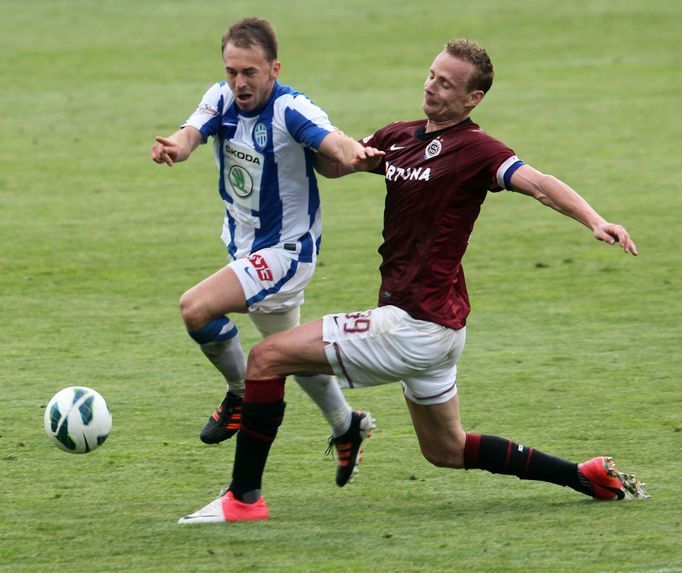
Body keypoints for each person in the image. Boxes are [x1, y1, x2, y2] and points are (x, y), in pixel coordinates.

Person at [177, 38, 650, 524]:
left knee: (265, 358)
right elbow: (339, 162)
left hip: (414, 324)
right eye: (431, 75)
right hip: (440, 327)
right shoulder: (401, 137)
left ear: (473, 99)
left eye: (447, 84)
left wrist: (593, 218)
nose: (432, 87)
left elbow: (538, 182)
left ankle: (243, 499)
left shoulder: (477, 150)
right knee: (445, 448)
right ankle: (583, 474)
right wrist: (308, 139)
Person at [151, 17, 382, 480]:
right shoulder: (220, 98)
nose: (239, 82)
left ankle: (239, 393)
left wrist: (353, 152)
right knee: (287, 351)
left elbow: (330, 139)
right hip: (245, 248)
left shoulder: (290, 109)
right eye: (232, 70)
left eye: (250, 72)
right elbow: (191, 131)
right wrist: (175, 146)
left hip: (286, 253)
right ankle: (347, 425)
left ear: (274, 69)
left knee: (195, 309)